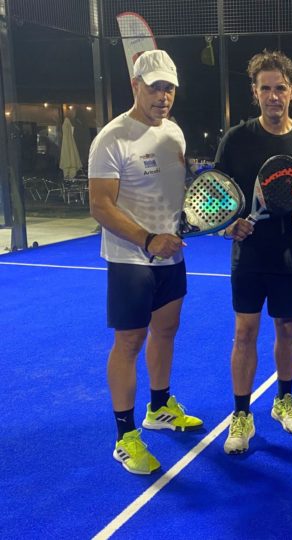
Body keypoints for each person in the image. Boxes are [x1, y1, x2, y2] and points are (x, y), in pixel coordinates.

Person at [216, 50, 292, 454]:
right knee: (244, 332)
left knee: (287, 328)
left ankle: (284, 399)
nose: (273, 96)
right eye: (265, 88)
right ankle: (241, 414)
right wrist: (230, 224)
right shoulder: (236, 139)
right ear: (254, 92)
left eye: (280, 88)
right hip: (249, 255)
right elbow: (217, 193)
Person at [88, 50, 203, 475]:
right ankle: (125, 437)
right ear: (135, 85)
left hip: (171, 255)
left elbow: (173, 193)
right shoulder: (112, 138)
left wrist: (182, 224)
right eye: (155, 87)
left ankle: (159, 408)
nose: (163, 96)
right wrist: (149, 240)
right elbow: (100, 206)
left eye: (169, 88)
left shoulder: (174, 133)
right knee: (129, 343)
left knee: (167, 330)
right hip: (130, 258)